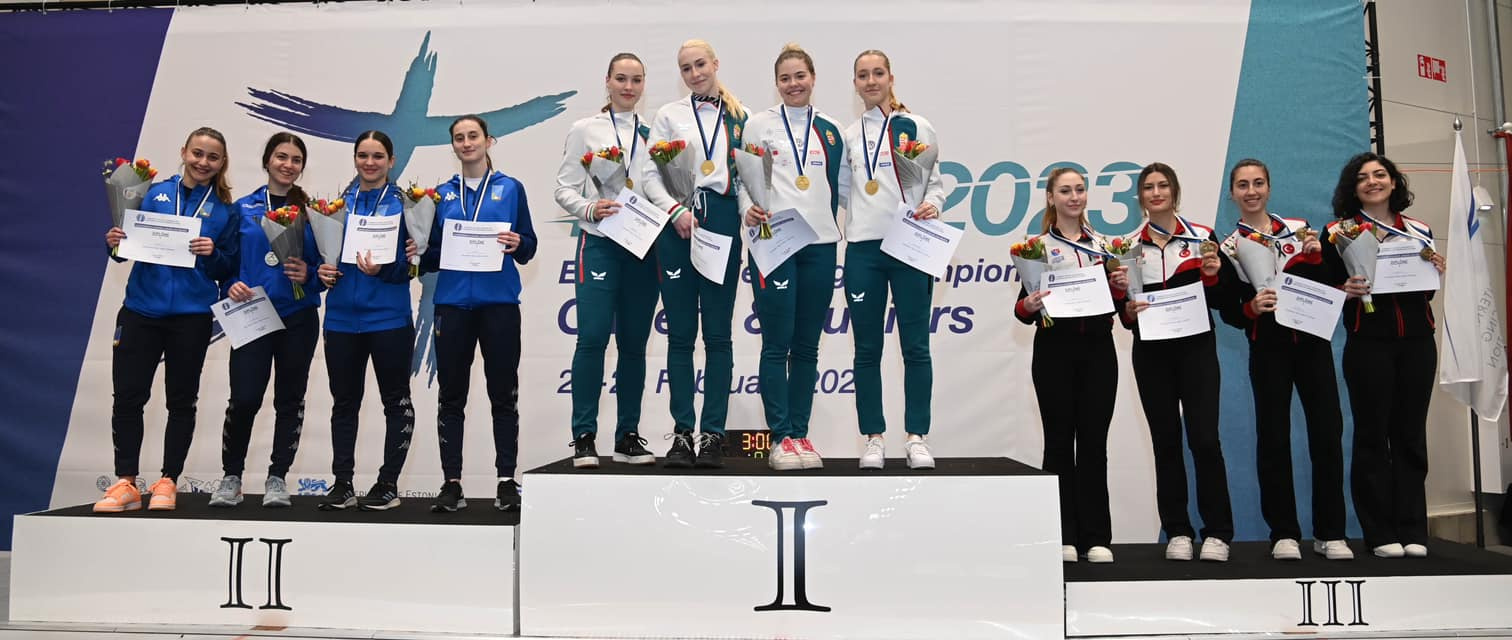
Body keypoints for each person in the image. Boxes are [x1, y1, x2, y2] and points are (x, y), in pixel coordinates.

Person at [95, 127, 240, 513]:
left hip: (191, 318)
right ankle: (125, 481)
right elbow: (123, 251)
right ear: (184, 152)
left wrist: (212, 253)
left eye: (212, 157)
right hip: (142, 310)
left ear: (222, 163)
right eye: (197, 153)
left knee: (182, 400)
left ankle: (167, 481)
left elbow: (229, 267)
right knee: (128, 397)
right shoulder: (151, 192)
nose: (203, 162)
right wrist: (114, 243)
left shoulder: (226, 209)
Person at [1215, 158, 1352, 560]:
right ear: (1232, 194)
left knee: (1327, 435)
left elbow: (1330, 283)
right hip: (1268, 348)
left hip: (1312, 344)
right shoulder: (1229, 247)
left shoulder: (1301, 230)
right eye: (1243, 185)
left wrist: (1316, 256)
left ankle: (1331, 533)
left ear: (1269, 188)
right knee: (1273, 439)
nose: (1251, 191)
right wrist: (1252, 309)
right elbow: (1227, 309)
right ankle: (1284, 533)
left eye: (1258, 183)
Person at [1321, 152, 1446, 558]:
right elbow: (1325, 290)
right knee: (1373, 436)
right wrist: (1345, 290)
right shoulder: (1338, 232)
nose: (1372, 181)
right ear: (1352, 188)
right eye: (1362, 177)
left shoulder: (1419, 230)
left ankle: (1413, 529)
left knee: (1410, 435)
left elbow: (1424, 291)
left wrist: (1436, 271)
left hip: (1417, 343)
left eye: (1380, 174)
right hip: (1368, 344)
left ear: (1394, 182)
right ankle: (1379, 532)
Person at [640, 39, 748, 468]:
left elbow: (745, 182)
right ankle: (683, 432)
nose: (694, 73)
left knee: (718, 336)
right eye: (686, 68)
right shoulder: (668, 115)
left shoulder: (742, 117)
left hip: (720, 221)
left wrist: (747, 213)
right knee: (681, 334)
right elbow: (650, 177)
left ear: (715, 64)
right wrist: (674, 211)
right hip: (677, 225)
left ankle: (713, 434)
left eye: (700, 64)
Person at [738, 43, 847, 471]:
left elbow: (841, 189)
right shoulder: (757, 126)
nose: (793, 84)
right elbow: (744, 180)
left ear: (813, 78)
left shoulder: (833, 130)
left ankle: (801, 435)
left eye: (800, 76)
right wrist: (747, 206)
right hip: (775, 243)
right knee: (776, 343)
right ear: (776, 83)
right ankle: (780, 437)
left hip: (820, 243)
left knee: (806, 347)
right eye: (785, 78)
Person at [422, 115, 537, 512]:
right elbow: (431, 256)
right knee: (451, 397)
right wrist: (418, 251)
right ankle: (451, 483)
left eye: (473, 136)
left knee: (503, 394)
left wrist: (518, 241)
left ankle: (507, 480)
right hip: (452, 306)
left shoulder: (511, 188)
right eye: (459, 138)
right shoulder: (438, 196)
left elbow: (529, 248)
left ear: (489, 141)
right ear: (452, 146)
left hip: (500, 305)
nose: (467, 143)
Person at [1121, 162, 1235, 561]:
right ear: (1140, 197)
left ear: (1175, 191)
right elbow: (1125, 312)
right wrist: (1129, 311)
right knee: (1165, 441)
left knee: (1205, 439)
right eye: (1148, 187)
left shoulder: (1202, 238)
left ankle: (1218, 533)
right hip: (1151, 353)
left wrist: (1214, 275)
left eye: (1163, 185)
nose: (1156, 193)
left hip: (1197, 350)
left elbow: (1222, 301)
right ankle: (1178, 532)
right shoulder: (1127, 246)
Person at [1015, 168, 1127, 562]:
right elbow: (1023, 306)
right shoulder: (1036, 247)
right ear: (1051, 198)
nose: (1074, 197)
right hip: (1054, 352)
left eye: (1080, 189)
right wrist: (1028, 305)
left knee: (1094, 444)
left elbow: (1120, 305)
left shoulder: (1106, 246)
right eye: (1065, 190)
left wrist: (1121, 289)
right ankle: (1062, 535)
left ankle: (1097, 537)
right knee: (1059, 443)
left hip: (1098, 351)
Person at [555, 53, 659, 469]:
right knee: (593, 338)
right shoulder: (585, 130)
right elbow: (563, 188)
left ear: (643, 84)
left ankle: (628, 435)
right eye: (621, 79)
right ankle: (583, 436)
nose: (628, 87)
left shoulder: (655, 134)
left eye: (635, 80)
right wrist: (589, 209)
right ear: (608, 81)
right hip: (598, 243)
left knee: (634, 344)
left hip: (642, 247)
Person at [209, 132, 323, 509]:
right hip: (252, 316)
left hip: (298, 316)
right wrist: (230, 284)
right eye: (281, 157)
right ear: (267, 161)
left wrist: (308, 273)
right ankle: (232, 477)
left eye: (295, 159)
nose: (288, 165)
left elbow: (327, 265)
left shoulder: (314, 212)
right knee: (243, 399)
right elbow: (225, 261)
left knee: (290, 400)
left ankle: (277, 477)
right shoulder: (242, 209)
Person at [843, 49, 944, 470]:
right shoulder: (848, 135)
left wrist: (933, 205)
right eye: (863, 75)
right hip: (864, 249)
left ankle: (917, 436)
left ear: (891, 77)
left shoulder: (917, 127)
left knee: (915, 347)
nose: (871, 81)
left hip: (910, 245)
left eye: (878, 73)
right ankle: (873, 437)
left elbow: (935, 185)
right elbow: (840, 192)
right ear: (855, 83)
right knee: (867, 349)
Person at [316, 130, 418, 512]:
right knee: (344, 403)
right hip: (341, 319)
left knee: (396, 401)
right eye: (363, 155)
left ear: (391, 161)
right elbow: (317, 258)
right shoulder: (335, 205)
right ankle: (342, 483)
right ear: (355, 159)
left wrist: (386, 271)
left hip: (389, 319)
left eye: (378, 156)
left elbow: (416, 265)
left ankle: (388, 482)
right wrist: (319, 274)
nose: (370, 163)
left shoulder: (409, 205)